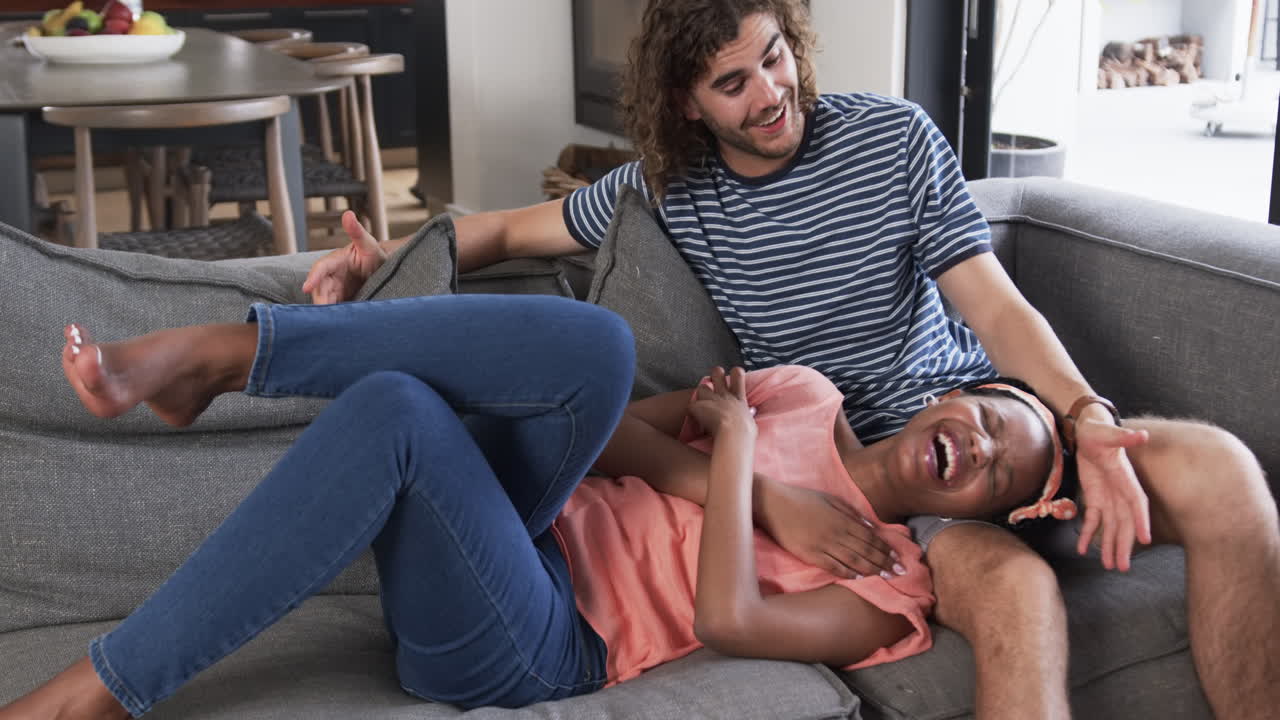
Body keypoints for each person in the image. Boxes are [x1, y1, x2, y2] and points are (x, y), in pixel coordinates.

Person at [303, 1, 1280, 717]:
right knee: (1019, 596)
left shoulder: (892, 137)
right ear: (687, 106)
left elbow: (992, 301)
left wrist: (1084, 420)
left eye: (775, 59)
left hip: (987, 417)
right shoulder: (665, 191)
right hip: (879, 481)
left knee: (1224, 472)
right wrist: (379, 262)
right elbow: (512, 234)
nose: (772, 95)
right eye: (734, 82)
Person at [2, 294, 1068, 717]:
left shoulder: (896, 585)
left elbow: (728, 622)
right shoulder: (804, 392)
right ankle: (232, 354)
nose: (974, 448)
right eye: (984, 418)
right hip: (524, 516)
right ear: (949, 391)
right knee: (586, 348)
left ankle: (99, 689)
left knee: (396, 413)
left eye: (1000, 471)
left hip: (537, 637)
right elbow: (587, 415)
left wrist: (736, 450)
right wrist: (751, 490)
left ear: (987, 508)